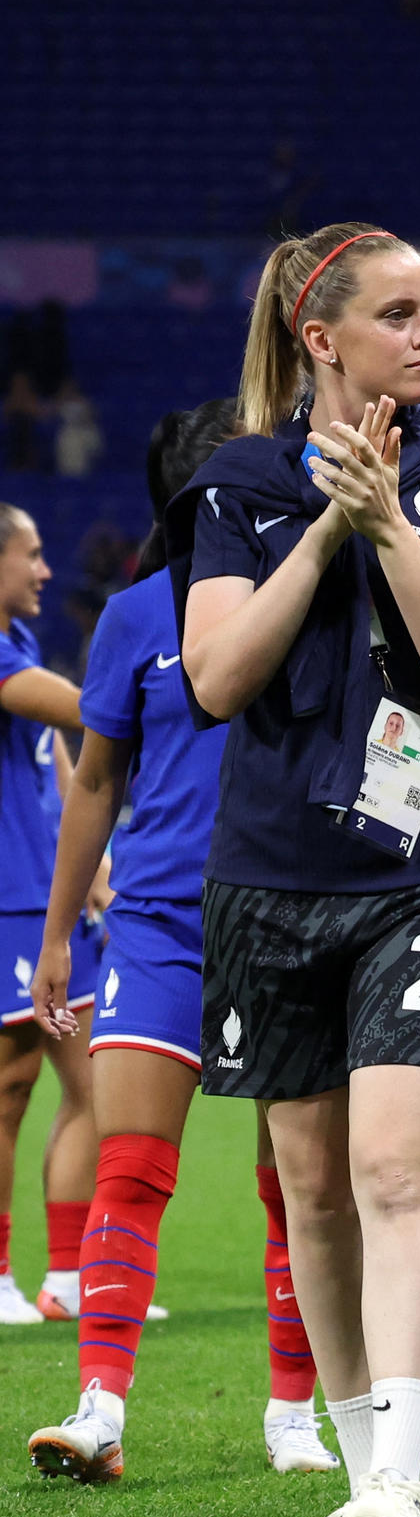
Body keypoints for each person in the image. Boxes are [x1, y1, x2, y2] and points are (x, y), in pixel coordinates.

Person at [167, 225, 420, 1517]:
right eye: (400, 312)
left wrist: (393, 523)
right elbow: (214, 677)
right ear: (323, 339)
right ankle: (364, 1484)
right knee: (311, 1187)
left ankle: (397, 1481)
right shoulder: (238, 483)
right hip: (268, 875)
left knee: (392, 1167)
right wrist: (328, 522)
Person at [21, 400, 335, 1479]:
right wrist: (64, 932)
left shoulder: (322, 595)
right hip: (157, 922)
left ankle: (293, 1411)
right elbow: (96, 779)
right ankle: (100, 1404)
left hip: (286, 915)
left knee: (293, 1179)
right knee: (134, 1165)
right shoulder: (136, 615)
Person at [0, 502, 93, 1328]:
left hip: (49, 896)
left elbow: (59, 761)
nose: (44, 569)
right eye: (31, 554)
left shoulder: (21, 641)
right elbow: (72, 710)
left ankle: (68, 1276)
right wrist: (148, 681)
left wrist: (92, 863)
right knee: (9, 1088)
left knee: (94, 1084)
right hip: (7, 899)